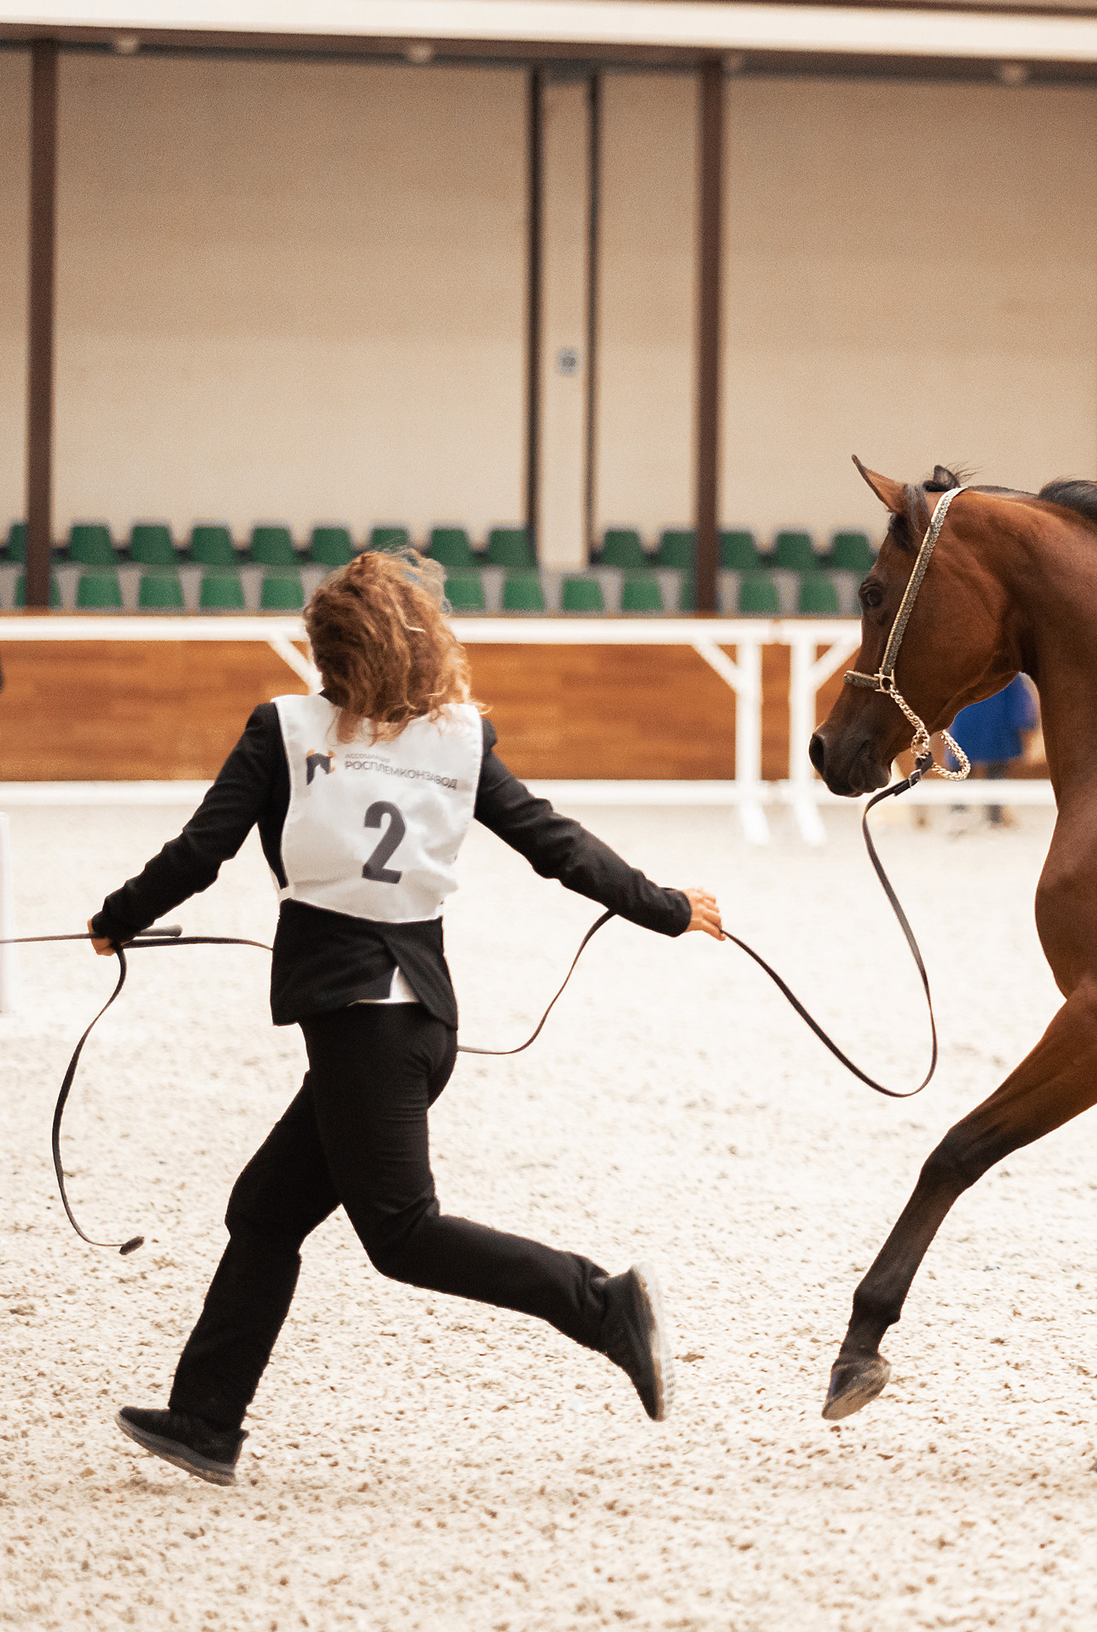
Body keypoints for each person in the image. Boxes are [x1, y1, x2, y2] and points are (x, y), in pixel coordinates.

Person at [91, 551, 719, 1488]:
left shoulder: (285, 730)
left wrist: (117, 917)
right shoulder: (459, 738)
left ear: (332, 649)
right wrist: (665, 905)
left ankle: (603, 1303)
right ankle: (204, 1420)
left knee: (402, 1234)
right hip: (415, 1021)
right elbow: (556, 845)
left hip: (363, 1028)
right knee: (264, 1211)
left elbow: (200, 850)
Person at [945, 673, 1042, 827]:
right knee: (995, 771)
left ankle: (960, 813)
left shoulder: (961, 665)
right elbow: (1019, 699)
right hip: (997, 725)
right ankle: (993, 817)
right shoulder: (1006, 667)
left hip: (966, 721)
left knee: (962, 768)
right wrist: (1025, 725)